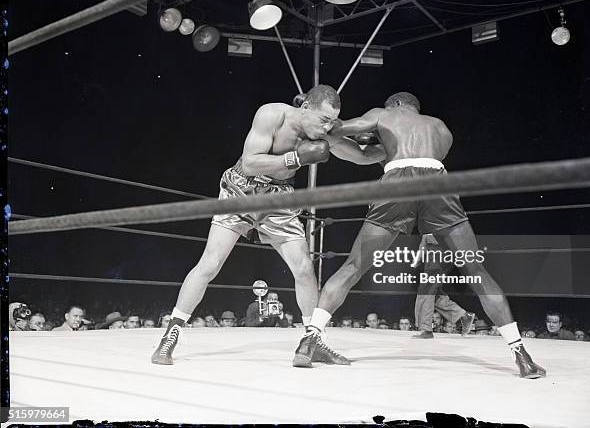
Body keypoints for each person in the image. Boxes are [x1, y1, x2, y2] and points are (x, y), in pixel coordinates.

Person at [293, 91, 545, 378]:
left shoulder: (384, 114)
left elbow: (339, 127)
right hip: (438, 182)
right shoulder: (441, 128)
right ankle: (521, 355)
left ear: (397, 105)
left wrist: (309, 113)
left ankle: (309, 340)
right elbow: (426, 160)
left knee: (353, 266)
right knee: (477, 271)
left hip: (396, 182)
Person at [151, 85, 342, 365]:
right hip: (241, 190)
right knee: (210, 263)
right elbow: (251, 164)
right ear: (305, 108)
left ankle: (312, 340)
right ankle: (171, 335)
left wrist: (390, 153)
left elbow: (360, 155)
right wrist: (297, 157)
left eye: (332, 121)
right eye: (323, 119)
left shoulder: (323, 132)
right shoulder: (271, 114)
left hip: (280, 198)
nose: (327, 128)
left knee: (303, 267)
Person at [413, 234, 476, 339]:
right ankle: (463, 315)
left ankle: (426, 329)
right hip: (438, 252)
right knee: (434, 293)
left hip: (438, 252)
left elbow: (428, 236)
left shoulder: (432, 220)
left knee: (426, 290)